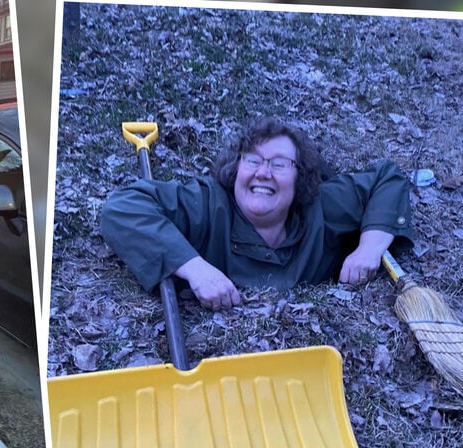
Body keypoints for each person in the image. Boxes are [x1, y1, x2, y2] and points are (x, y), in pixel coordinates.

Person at [100, 117, 415, 311]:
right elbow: (123, 208)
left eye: (279, 164)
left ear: (300, 177)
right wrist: (196, 270)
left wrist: (368, 250)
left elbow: (388, 179)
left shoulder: (321, 206)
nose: (263, 173)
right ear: (236, 169)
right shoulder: (208, 203)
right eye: (252, 161)